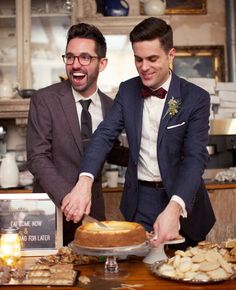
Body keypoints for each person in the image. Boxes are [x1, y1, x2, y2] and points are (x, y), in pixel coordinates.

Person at [61, 17, 216, 249]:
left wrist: (175, 208)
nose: (144, 67)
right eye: (138, 59)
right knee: (139, 274)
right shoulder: (128, 90)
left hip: (182, 199)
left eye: (152, 59)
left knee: (185, 271)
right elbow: (104, 136)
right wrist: (84, 181)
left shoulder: (196, 98)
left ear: (170, 55)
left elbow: (195, 158)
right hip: (141, 200)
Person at [26, 23, 128, 245]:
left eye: (84, 58)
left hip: (93, 211)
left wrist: (157, 155)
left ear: (102, 63)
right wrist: (67, 198)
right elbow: (37, 157)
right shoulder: (44, 100)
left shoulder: (112, 107)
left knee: (95, 276)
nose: (75, 65)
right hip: (50, 212)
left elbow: (111, 151)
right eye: (70, 57)